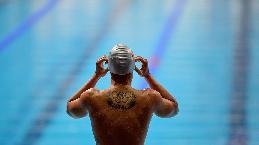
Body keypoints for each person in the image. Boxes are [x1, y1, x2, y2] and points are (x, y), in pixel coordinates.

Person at [67, 44, 179, 145]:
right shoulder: (149, 98)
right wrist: (148, 75)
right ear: (133, 67)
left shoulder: (92, 97)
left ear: (108, 67)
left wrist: (96, 76)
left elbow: (71, 110)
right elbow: (173, 109)